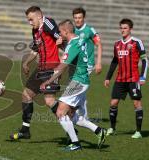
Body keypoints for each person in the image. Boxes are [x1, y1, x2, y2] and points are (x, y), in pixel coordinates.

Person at [40, 19, 106, 151]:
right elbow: (74, 54)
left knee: (60, 112)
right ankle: (98, 130)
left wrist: (49, 81)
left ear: (65, 31)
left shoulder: (72, 44)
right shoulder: (79, 40)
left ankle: (75, 144)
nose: (59, 34)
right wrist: (62, 45)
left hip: (78, 81)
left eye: (60, 32)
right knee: (70, 115)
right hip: (82, 80)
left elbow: (62, 66)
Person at [10, 6, 61, 140]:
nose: (30, 22)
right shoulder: (35, 30)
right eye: (28, 20)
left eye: (31, 19)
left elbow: (60, 38)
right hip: (41, 68)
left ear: (39, 16)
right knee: (26, 95)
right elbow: (35, 49)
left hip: (52, 68)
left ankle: (72, 128)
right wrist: (26, 62)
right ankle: (25, 130)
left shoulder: (48, 23)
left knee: (49, 102)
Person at [104, 18, 148, 139]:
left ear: (130, 29)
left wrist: (143, 76)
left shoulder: (136, 42)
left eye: (125, 28)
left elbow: (144, 59)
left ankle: (138, 131)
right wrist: (108, 77)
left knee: (136, 103)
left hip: (134, 79)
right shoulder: (117, 44)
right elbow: (114, 61)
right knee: (113, 102)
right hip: (120, 79)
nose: (122, 30)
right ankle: (112, 128)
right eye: (121, 28)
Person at [72, 7, 103, 119]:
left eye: (80, 17)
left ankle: (76, 116)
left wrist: (98, 63)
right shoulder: (72, 30)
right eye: (75, 18)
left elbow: (99, 44)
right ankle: (85, 117)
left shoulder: (89, 30)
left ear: (83, 18)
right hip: (75, 66)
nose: (77, 20)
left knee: (75, 91)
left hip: (87, 65)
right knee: (80, 93)